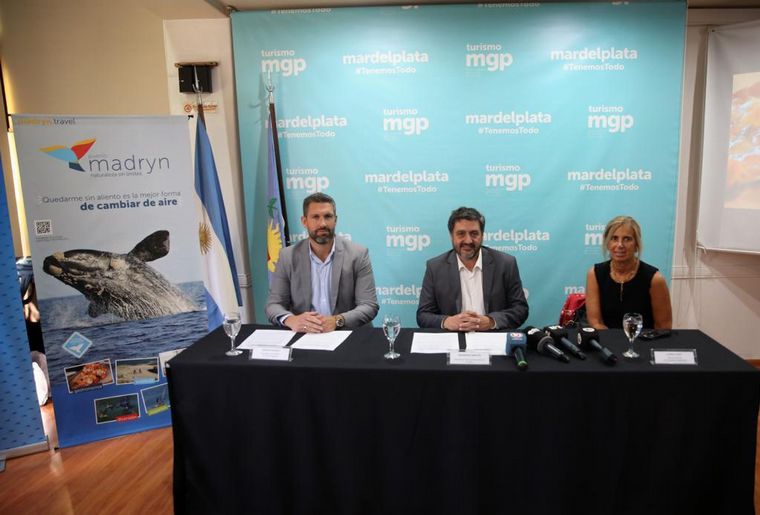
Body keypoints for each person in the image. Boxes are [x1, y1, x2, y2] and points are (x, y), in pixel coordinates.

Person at [266, 192, 379, 332]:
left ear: (335, 220)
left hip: (347, 333)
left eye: (328, 216)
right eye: (315, 217)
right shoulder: (287, 256)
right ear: (304, 221)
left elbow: (369, 305)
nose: (322, 223)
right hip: (305, 334)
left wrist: (337, 321)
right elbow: (274, 305)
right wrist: (292, 320)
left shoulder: (358, 254)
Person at [416, 207, 529, 331]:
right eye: (461, 234)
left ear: (482, 235)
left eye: (474, 234)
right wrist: (447, 321)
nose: (468, 240)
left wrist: (491, 321)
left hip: (492, 336)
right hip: (453, 338)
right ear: (451, 235)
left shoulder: (505, 264)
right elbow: (423, 315)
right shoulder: (435, 267)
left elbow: (520, 309)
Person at [585, 215, 672, 330]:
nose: (620, 245)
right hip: (606, 340)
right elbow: (595, 323)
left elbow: (663, 328)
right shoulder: (595, 274)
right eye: (614, 238)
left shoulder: (655, 279)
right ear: (607, 243)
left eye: (627, 239)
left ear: (636, 245)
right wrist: (615, 340)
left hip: (644, 340)